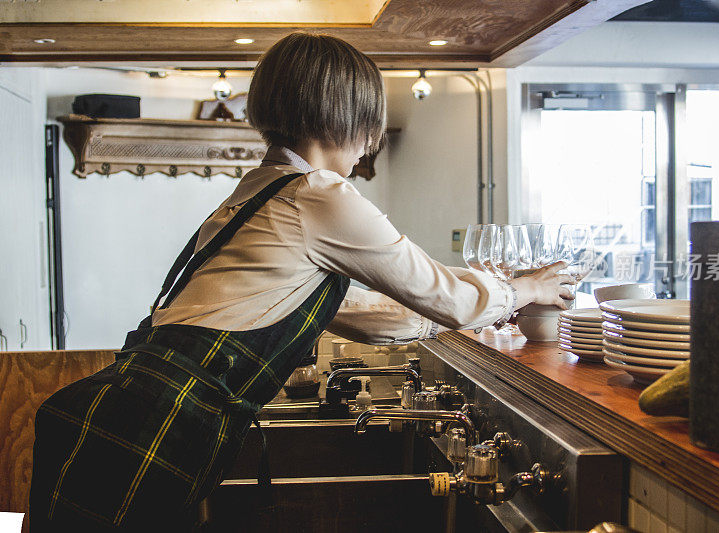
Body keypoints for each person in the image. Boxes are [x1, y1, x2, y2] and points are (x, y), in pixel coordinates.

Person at [29, 32, 574, 531]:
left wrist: (482, 303)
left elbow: (366, 312)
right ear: (347, 114)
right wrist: (527, 290)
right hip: (153, 430)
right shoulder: (319, 196)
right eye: (370, 125)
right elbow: (444, 299)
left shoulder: (265, 188)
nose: (370, 145)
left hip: (124, 415)